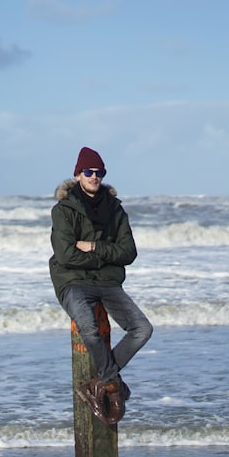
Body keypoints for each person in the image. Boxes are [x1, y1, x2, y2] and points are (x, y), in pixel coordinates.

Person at [49, 146, 153, 425]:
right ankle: (112, 384)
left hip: (107, 282)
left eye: (98, 172)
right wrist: (106, 255)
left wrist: (93, 247)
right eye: (88, 171)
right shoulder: (63, 210)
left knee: (143, 329)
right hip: (72, 282)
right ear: (78, 174)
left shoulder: (116, 211)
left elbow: (129, 252)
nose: (94, 176)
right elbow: (65, 255)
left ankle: (99, 383)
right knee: (89, 330)